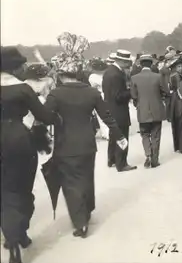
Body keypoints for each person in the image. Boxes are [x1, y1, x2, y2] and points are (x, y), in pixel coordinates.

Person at [44, 52, 128, 238]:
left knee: (70, 184)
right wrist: (120, 136)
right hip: (87, 144)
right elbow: (107, 117)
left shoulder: (56, 94)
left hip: (65, 145)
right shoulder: (92, 92)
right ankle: (87, 210)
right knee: (86, 179)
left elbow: (45, 117)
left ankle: (80, 222)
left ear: (61, 73)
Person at [1, 47, 59, 263]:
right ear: (14, 67)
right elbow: (44, 116)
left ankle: (12, 237)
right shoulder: (23, 88)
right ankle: (19, 234)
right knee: (22, 188)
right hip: (18, 139)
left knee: (3, 191)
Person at [102, 49, 137, 172]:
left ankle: (111, 159)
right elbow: (118, 96)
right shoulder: (117, 74)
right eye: (127, 62)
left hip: (110, 108)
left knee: (114, 134)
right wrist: (131, 92)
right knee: (122, 136)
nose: (129, 65)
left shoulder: (108, 72)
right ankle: (121, 163)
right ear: (121, 61)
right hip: (119, 110)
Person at [130, 54, 167, 168]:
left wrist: (138, 104)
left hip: (143, 110)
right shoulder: (158, 76)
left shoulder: (134, 78)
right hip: (157, 109)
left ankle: (148, 154)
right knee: (156, 135)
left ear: (140, 65)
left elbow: (133, 96)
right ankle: (155, 159)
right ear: (151, 64)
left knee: (145, 134)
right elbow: (165, 91)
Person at [88, 58, 111, 140]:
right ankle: (108, 132)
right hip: (108, 95)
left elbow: (92, 87)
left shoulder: (92, 77)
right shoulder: (107, 74)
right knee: (109, 114)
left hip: (100, 95)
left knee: (101, 116)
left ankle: (106, 133)